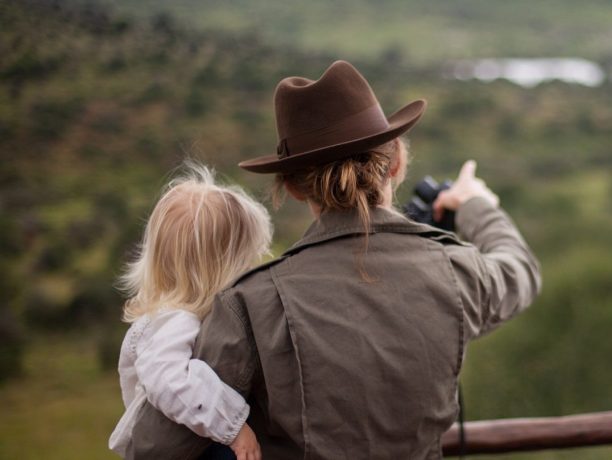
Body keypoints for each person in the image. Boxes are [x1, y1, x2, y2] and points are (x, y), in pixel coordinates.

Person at [126, 60, 542, 459]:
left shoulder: (251, 305)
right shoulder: (457, 272)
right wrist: (475, 205)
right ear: (396, 161)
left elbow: (153, 448)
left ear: (292, 187)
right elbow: (520, 269)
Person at [110, 163, 272, 460]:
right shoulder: (174, 320)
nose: (250, 268)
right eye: (246, 259)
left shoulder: (180, 314)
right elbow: (170, 379)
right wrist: (235, 427)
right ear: (219, 268)